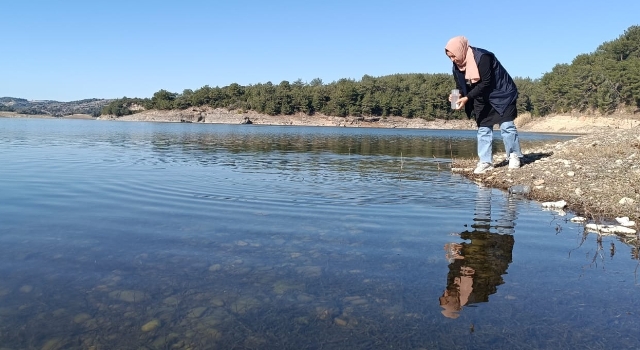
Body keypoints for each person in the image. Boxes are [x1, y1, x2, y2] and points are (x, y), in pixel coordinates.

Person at [445, 36, 523, 174]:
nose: (453, 59)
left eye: (454, 56)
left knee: (507, 126)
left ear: (461, 50)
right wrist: (459, 95)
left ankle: (514, 156)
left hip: (502, 94)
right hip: (481, 98)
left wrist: (468, 98)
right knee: (483, 129)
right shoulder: (457, 66)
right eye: (449, 57)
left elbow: (486, 82)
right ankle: (485, 162)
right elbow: (461, 86)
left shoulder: (483, 57)